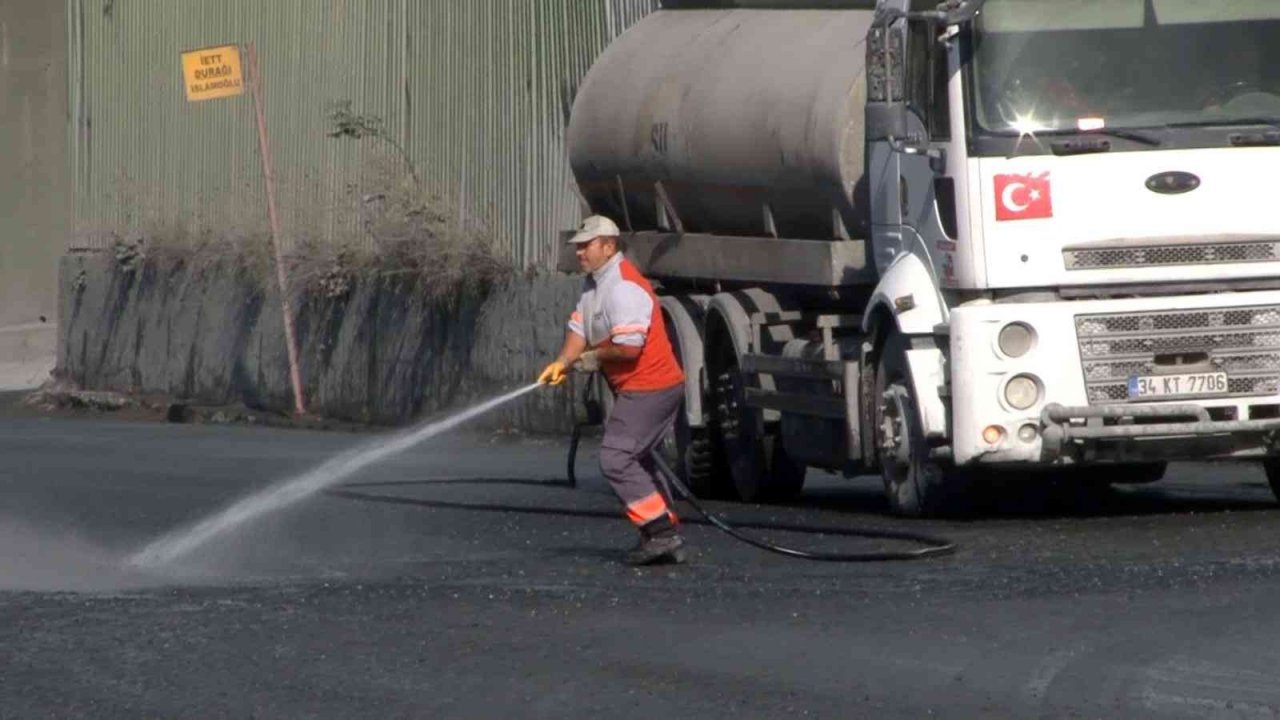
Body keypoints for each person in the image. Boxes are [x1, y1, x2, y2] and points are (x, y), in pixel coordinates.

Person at [538, 215, 688, 566]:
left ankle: (662, 533)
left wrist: (592, 358)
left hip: (651, 386)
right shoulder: (594, 286)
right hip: (638, 387)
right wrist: (562, 362)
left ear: (609, 246)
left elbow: (630, 346)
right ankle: (663, 533)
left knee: (616, 457)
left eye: (586, 245)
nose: (579, 252)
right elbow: (579, 327)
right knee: (638, 459)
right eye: (577, 246)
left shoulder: (623, 286)